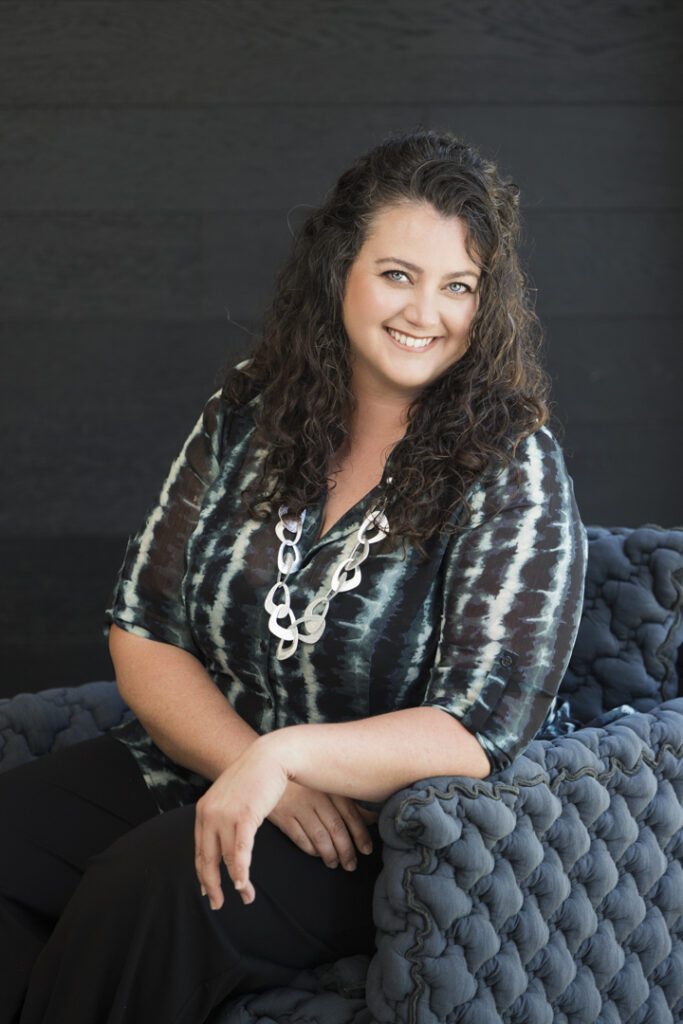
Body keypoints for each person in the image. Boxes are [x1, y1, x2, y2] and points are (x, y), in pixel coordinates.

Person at [0, 126, 588, 1023]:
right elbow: (143, 624)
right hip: (199, 763)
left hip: (379, 832)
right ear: (339, 271)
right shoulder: (248, 410)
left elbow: (481, 725)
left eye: (457, 286)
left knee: (149, 889)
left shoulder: (511, 464)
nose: (425, 312)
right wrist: (250, 764)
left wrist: (291, 758)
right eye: (398, 274)